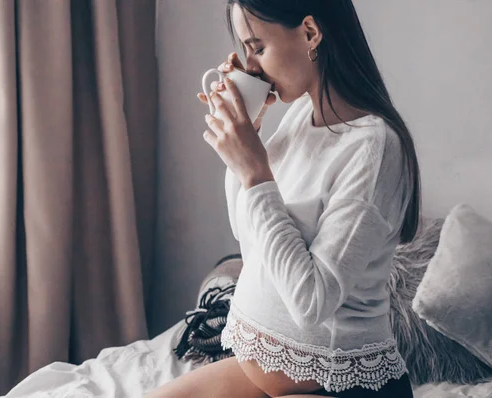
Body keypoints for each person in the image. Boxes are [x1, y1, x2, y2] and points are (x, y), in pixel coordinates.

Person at [147, 0, 420, 396]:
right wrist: (247, 146)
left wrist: (256, 172)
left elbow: (312, 302)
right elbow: (248, 233)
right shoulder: (300, 117)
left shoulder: (373, 146)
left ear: (310, 32)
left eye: (257, 47)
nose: (252, 67)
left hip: (340, 385)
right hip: (266, 370)